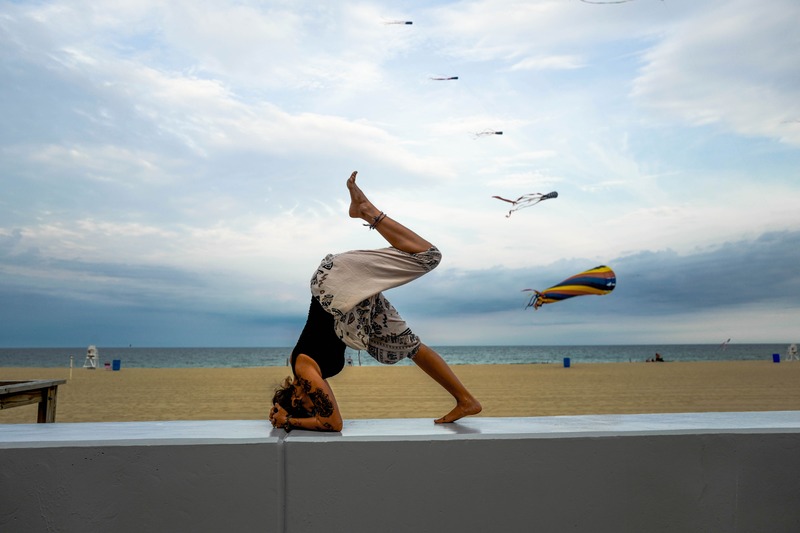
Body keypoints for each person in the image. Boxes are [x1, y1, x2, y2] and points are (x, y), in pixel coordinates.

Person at [269, 171, 481, 432]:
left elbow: (332, 423)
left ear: (294, 396)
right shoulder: (310, 377)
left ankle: (366, 210)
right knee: (408, 345)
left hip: (336, 286)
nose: (309, 402)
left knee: (428, 256)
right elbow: (327, 417)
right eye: (310, 406)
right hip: (352, 310)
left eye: (303, 403)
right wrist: (288, 416)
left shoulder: (304, 373)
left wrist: (286, 420)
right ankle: (466, 400)